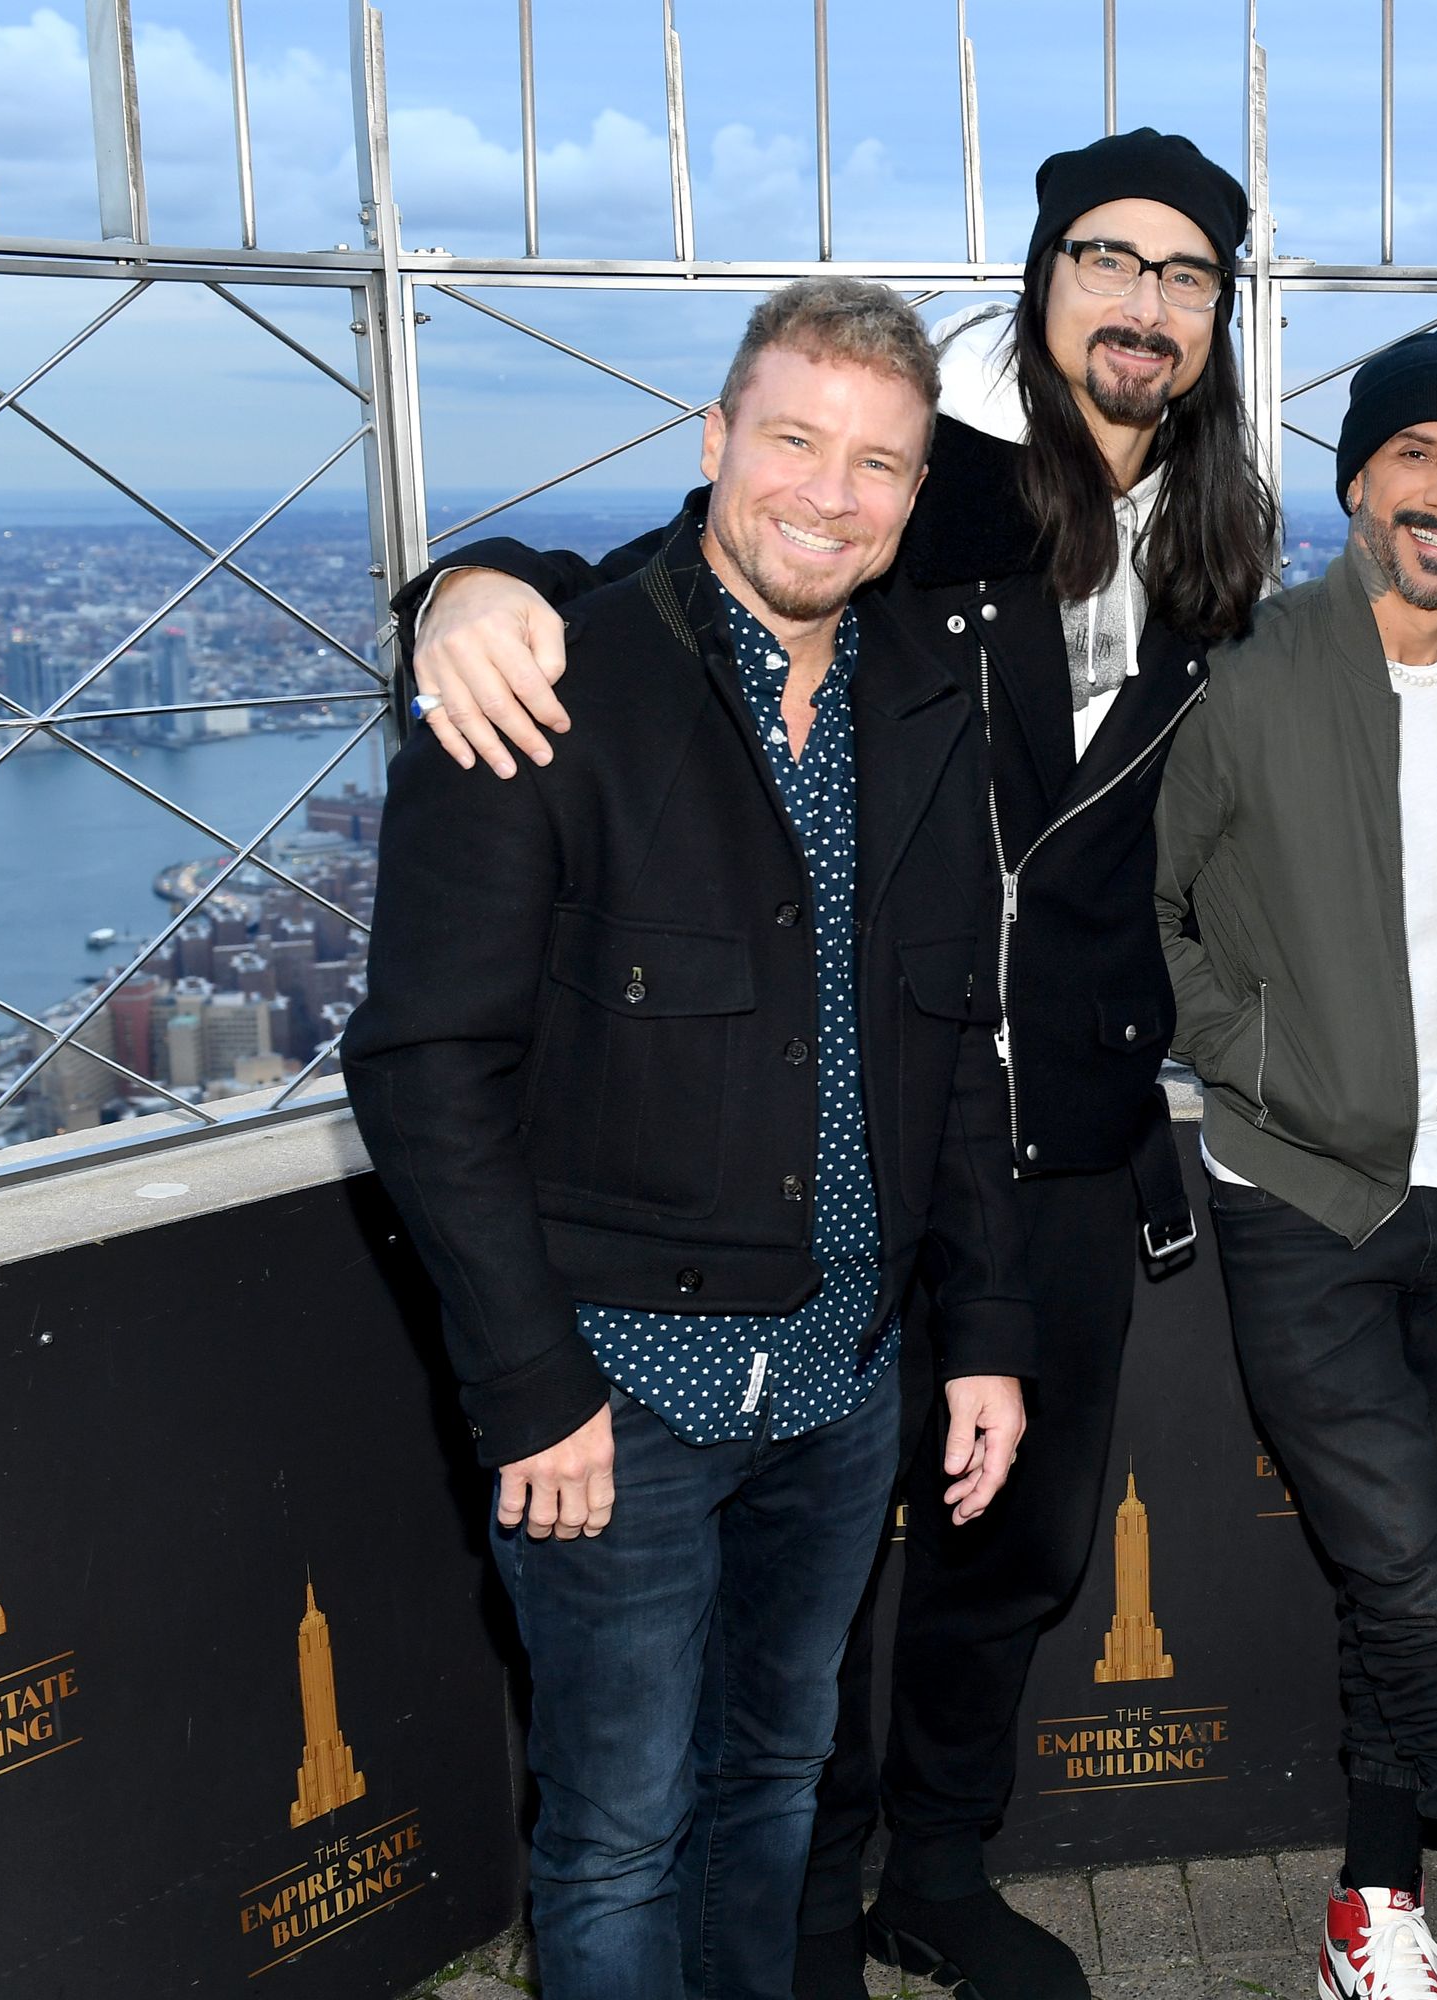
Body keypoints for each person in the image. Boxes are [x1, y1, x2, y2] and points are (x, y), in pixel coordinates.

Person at [389, 128, 1274, 2000]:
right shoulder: (930, 495)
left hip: (1036, 1129)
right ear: (1042, 287)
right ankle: (807, 1935)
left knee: (996, 1564)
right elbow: (681, 593)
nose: (1142, 301)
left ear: (1219, 320)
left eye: (1184, 275)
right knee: (693, 1759)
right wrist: (463, 583)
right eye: (1106, 259)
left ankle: (923, 1886)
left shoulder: (1218, 548)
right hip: (819, 1146)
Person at [345, 278, 1031, 2000]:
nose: (829, 491)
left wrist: (985, 1344)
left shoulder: (923, 704)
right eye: (793, 439)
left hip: (838, 1392)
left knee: (777, 1794)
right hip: (610, 1407)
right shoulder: (554, 680)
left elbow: (954, 1054)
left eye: (879, 461)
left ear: (917, 483)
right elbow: (424, 1069)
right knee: (618, 1834)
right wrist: (531, 1389)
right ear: (714, 441)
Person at [1152, 326, 1437, 2000]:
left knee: (1401, 1588)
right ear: (1355, 483)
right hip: (1302, 1202)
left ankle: (1368, 1905)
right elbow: (1155, 913)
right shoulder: (1248, 677)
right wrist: (1252, 1053)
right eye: (1413, 458)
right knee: (1419, 1576)